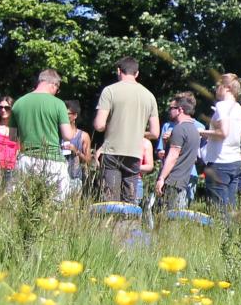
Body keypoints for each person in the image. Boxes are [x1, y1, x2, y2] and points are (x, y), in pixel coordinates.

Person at [93, 57, 159, 202]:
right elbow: (155, 133)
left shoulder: (109, 91)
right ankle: (129, 224)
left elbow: (99, 125)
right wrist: (137, 131)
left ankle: (111, 224)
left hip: (112, 151)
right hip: (135, 153)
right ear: (137, 73)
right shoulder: (149, 96)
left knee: (110, 199)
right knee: (129, 199)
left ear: (118, 71)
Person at [11, 70, 77, 200]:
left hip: (26, 159)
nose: (56, 92)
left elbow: (12, 137)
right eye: (57, 89)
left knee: (27, 204)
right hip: (53, 161)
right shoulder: (58, 104)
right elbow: (67, 135)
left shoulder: (18, 103)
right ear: (53, 84)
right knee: (56, 206)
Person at [198, 74, 241, 210]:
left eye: (218, 86)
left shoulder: (223, 106)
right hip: (235, 161)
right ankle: (233, 232)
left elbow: (223, 133)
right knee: (230, 207)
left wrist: (200, 132)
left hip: (219, 163)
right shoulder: (238, 109)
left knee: (218, 209)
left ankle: (221, 231)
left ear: (226, 87)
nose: (215, 90)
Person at [154, 92, 202, 211]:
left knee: (163, 217)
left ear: (180, 109)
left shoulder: (179, 129)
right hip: (184, 181)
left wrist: (161, 178)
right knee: (175, 218)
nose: (169, 111)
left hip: (172, 181)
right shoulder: (195, 130)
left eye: (172, 108)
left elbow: (173, 156)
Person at [64, 99, 95, 199]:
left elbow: (88, 160)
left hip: (75, 178)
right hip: (58, 175)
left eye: (67, 113)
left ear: (75, 116)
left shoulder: (83, 136)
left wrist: (76, 151)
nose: (64, 116)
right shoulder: (57, 134)